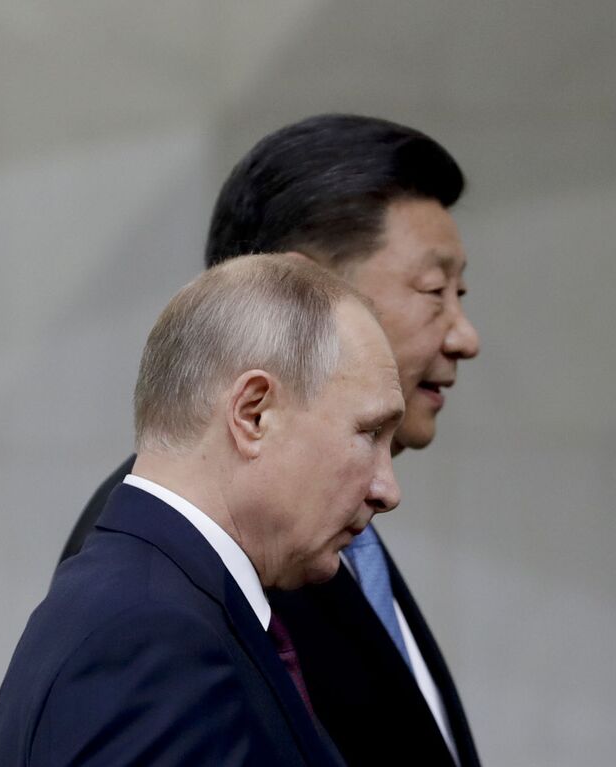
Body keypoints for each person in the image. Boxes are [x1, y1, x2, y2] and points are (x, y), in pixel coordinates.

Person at [59, 114, 484, 766]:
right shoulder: (161, 591)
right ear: (302, 288)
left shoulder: (323, 530)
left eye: (461, 293)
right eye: (434, 291)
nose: (465, 336)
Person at [0, 255, 405, 766]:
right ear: (254, 414)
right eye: (368, 433)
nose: (387, 489)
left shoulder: (147, 604)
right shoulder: (150, 636)